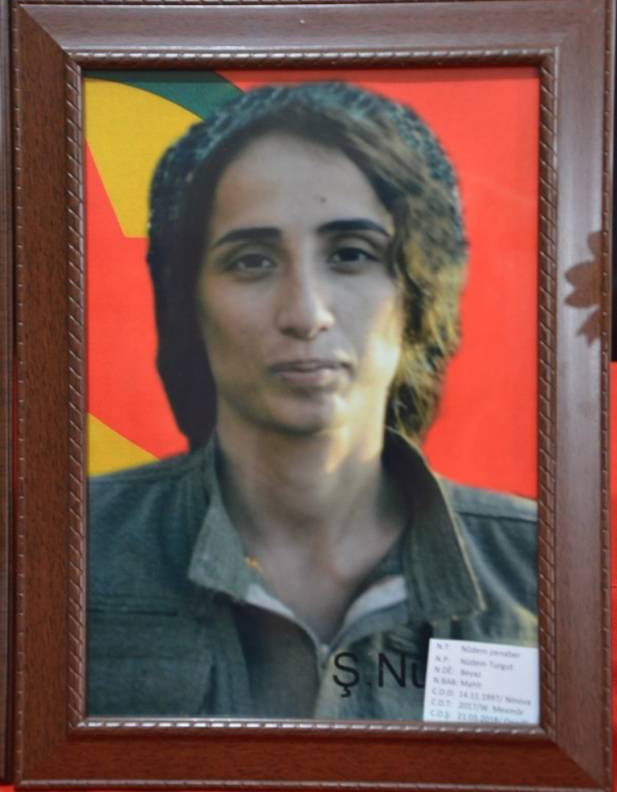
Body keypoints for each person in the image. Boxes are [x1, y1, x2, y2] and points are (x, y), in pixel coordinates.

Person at [87, 81, 537, 720]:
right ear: (189, 301)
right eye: (251, 261)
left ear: (417, 295)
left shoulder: (540, 566)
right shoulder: (71, 550)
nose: (304, 313)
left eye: (351, 254)